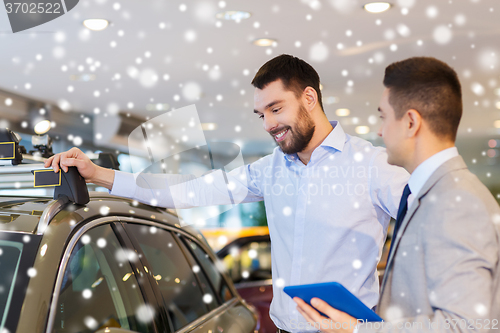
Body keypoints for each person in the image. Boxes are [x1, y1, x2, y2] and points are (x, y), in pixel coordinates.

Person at [45, 54, 409, 333]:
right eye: (260, 114)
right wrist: (100, 174)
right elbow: (187, 190)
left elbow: (430, 236)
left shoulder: (373, 165)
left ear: (310, 97)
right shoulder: (271, 170)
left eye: (276, 108)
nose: (268, 124)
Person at [294, 57, 500, 332]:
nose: (380, 131)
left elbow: (466, 326)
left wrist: (358, 329)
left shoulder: (456, 202)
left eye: (384, 117)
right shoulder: (433, 193)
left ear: (411, 122)